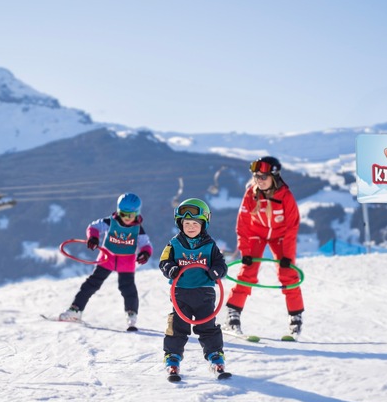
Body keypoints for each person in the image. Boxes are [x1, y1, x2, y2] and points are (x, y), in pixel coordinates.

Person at [223, 156, 305, 339]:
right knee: (248, 272)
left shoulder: (286, 196)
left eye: (263, 177)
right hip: (256, 235)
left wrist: (287, 256)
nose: (258, 180)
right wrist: (245, 251)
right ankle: (232, 316)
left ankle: (295, 318)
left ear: (274, 177)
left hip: (281, 237)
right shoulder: (251, 194)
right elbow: (242, 224)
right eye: (256, 176)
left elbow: (292, 227)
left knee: (288, 273)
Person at [59, 193, 153, 329]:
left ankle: (131, 314)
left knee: (128, 289)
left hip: (126, 263)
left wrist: (145, 253)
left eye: (130, 215)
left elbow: (146, 244)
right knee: (91, 284)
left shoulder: (138, 229)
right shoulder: (110, 222)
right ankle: (75, 310)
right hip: (106, 259)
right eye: (123, 214)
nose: (126, 218)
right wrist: (93, 238)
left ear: (137, 214)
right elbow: (93, 227)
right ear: (118, 211)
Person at [159, 198, 229, 378]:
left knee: (207, 326)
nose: (190, 227)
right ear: (180, 224)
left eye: (195, 223)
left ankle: (215, 356)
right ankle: (172, 358)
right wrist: (171, 269)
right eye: (186, 223)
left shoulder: (210, 245)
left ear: (204, 224)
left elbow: (222, 265)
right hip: (181, 293)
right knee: (178, 326)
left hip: (204, 293)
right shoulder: (173, 244)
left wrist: (216, 271)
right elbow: (164, 262)